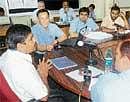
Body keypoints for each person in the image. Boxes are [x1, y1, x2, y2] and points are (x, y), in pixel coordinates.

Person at [0, 24, 52, 101]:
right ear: (20, 46)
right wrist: (43, 75)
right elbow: (44, 97)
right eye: (31, 39)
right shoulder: (24, 68)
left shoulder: (4, 56)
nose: (35, 40)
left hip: (19, 91)